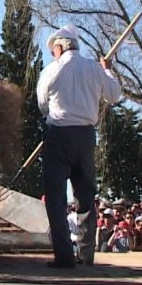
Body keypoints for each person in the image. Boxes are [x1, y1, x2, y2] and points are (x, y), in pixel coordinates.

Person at [37, 23, 121, 268]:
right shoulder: (95, 69)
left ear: (61, 47)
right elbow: (114, 96)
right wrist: (107, 71)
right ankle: (86, 255)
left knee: (55, 197)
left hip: (58, 134)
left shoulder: (51, 72)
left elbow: (42, 104)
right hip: (85, 137)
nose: (53, 53)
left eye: (54, 49)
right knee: (85, 195)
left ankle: (64, 256)